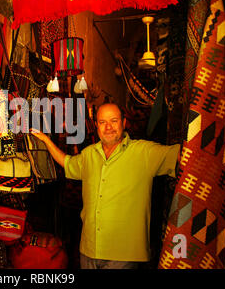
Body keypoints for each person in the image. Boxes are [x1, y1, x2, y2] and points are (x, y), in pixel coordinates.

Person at [31, 102, 180, 269]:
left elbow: (182, 156)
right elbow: (68, 162)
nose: (108, 127)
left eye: (114, 121)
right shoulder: (89, 154)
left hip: (123, 253)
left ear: (124, 123)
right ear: (96, 126)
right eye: (102, 122)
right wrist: (46, 141)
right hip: (89, 250)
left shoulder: (145, 152)